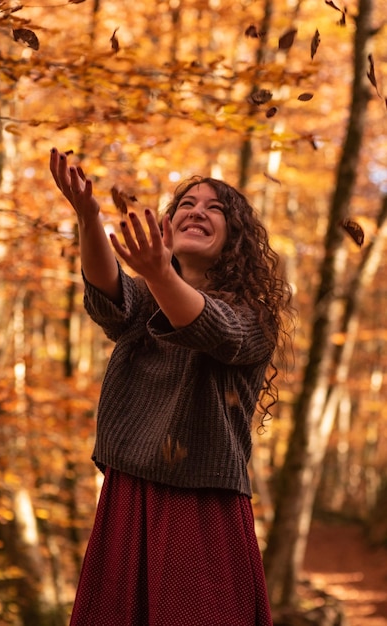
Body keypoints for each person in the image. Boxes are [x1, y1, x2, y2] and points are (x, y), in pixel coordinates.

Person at [49, 147, 292, 626]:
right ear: (167, 227)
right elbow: (107, 292)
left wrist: (160, 274)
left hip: (202, 505)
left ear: (235, 240)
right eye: (186, 204)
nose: (197, 210)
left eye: (214, 208)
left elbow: (210, 328)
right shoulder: (147, 297)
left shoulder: (255, 318)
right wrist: (88, 216)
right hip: (128, 494)